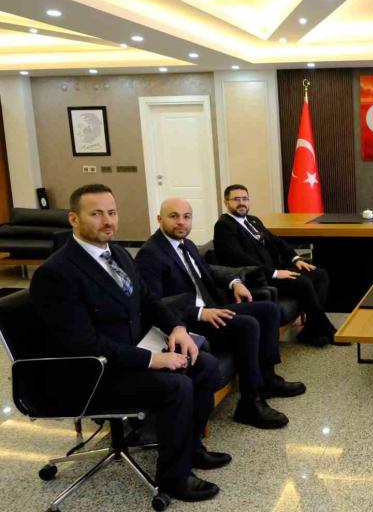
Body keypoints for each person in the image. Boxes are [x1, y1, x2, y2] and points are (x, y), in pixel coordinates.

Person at [30, 184, 229, 503]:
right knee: (177, 386)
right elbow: (83, 343)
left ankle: (192, 449)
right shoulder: (56, 273)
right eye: (96, 214)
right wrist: (151, 360)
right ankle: (174, 478)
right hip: (93, 373)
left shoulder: (118, 253)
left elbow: (148, 300)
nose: (107, 221)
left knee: (203, 364)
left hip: (128, 355)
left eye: (112, 212)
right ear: (73, 219)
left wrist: (177, 328)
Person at [135, 197, 306, 430]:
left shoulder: (186, 244)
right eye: (174, 216)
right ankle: (249, 403)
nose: (181, 222)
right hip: (185, 323)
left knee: (268, 309)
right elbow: (153, 303)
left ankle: (268, 379)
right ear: (159, 219)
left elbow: (207, 270)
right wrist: (198, 313)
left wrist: (235, 282)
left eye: (186, 217)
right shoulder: (150, 254)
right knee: (247, 325)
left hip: (210, 309)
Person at [213, 184, 343, 347]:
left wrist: (295, 259)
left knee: (320, 274)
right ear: (226, 202)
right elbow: (238, 259)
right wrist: (274, 273)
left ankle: (311, 330)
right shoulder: (224, 225)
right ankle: (328, 330)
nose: (241, 203)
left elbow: (276, 241)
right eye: (236, 199)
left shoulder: (252, 220)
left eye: (245, 199)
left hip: (275, 269)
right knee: (302, 282)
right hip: (257, 276)